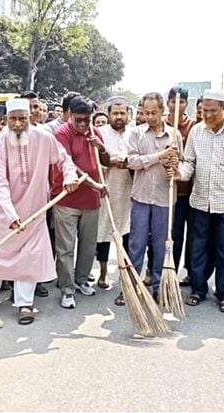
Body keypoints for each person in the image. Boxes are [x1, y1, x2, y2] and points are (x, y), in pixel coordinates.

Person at [0, 99, 79, 325]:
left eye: (23, 119)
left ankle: (25, 303)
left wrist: (70, 176)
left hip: (34, 211)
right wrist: (10, 214)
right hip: (4, 213)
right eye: (13, 119)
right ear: (6, 120)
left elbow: (64, 160)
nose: (18, 124)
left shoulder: (44, 138)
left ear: (30, 119)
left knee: (28, 257)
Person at [177, 90, 224, 313]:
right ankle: (199, 289)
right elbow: (189, 162)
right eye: (204, 111)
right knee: (198, 247)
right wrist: (178, 174)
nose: (208, 115)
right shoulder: (197, 132)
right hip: (199, 200)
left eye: (213, 111)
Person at [126, 92, 183, 300]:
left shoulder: (174, 135)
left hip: (164, 198)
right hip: (141, 197)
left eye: (154, 113)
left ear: (162, 111)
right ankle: (132, 286)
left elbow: (183, 164)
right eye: (146, 112)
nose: (149, 117)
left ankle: (160, 287)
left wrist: (174, 167)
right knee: (137, 244)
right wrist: (158, 157)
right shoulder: (136, 134)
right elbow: (131, 162)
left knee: (161, 245)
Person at [53, 96, 105, 309]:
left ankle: (82, 279)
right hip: (66, 199)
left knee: (88, 245)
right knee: (65, 247)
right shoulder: (61, 134)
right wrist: (94, 184)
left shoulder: (95, 132)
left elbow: (105, 160)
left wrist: (101, 147)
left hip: (92, 200)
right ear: (69, 116)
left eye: (87, 120)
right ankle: (67, 289)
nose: (83, 124)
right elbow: (70, 165)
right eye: (79, 120)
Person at [95, 97, 133, 303]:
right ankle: (102, 272)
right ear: (109, 114)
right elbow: (96, 161)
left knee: (127, 233)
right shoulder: (100, 134)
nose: (118, 117)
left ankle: (125, 273)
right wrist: (109, 161)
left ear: (128, 114)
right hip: (106, 190)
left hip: (129, 192)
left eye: (122, 113)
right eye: (115, 113)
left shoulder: (135, 133)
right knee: (104, 234)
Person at [166, 87, 196, 286]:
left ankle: (192, 274)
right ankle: (170, 273)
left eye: (182, 102)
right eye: (174, 101)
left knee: (194, 236)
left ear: (187, 104)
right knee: (173, 233)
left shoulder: (194, 126)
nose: (178, 106)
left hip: (192, 190)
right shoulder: (162, 126)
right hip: (171, 191)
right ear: (168, 102)